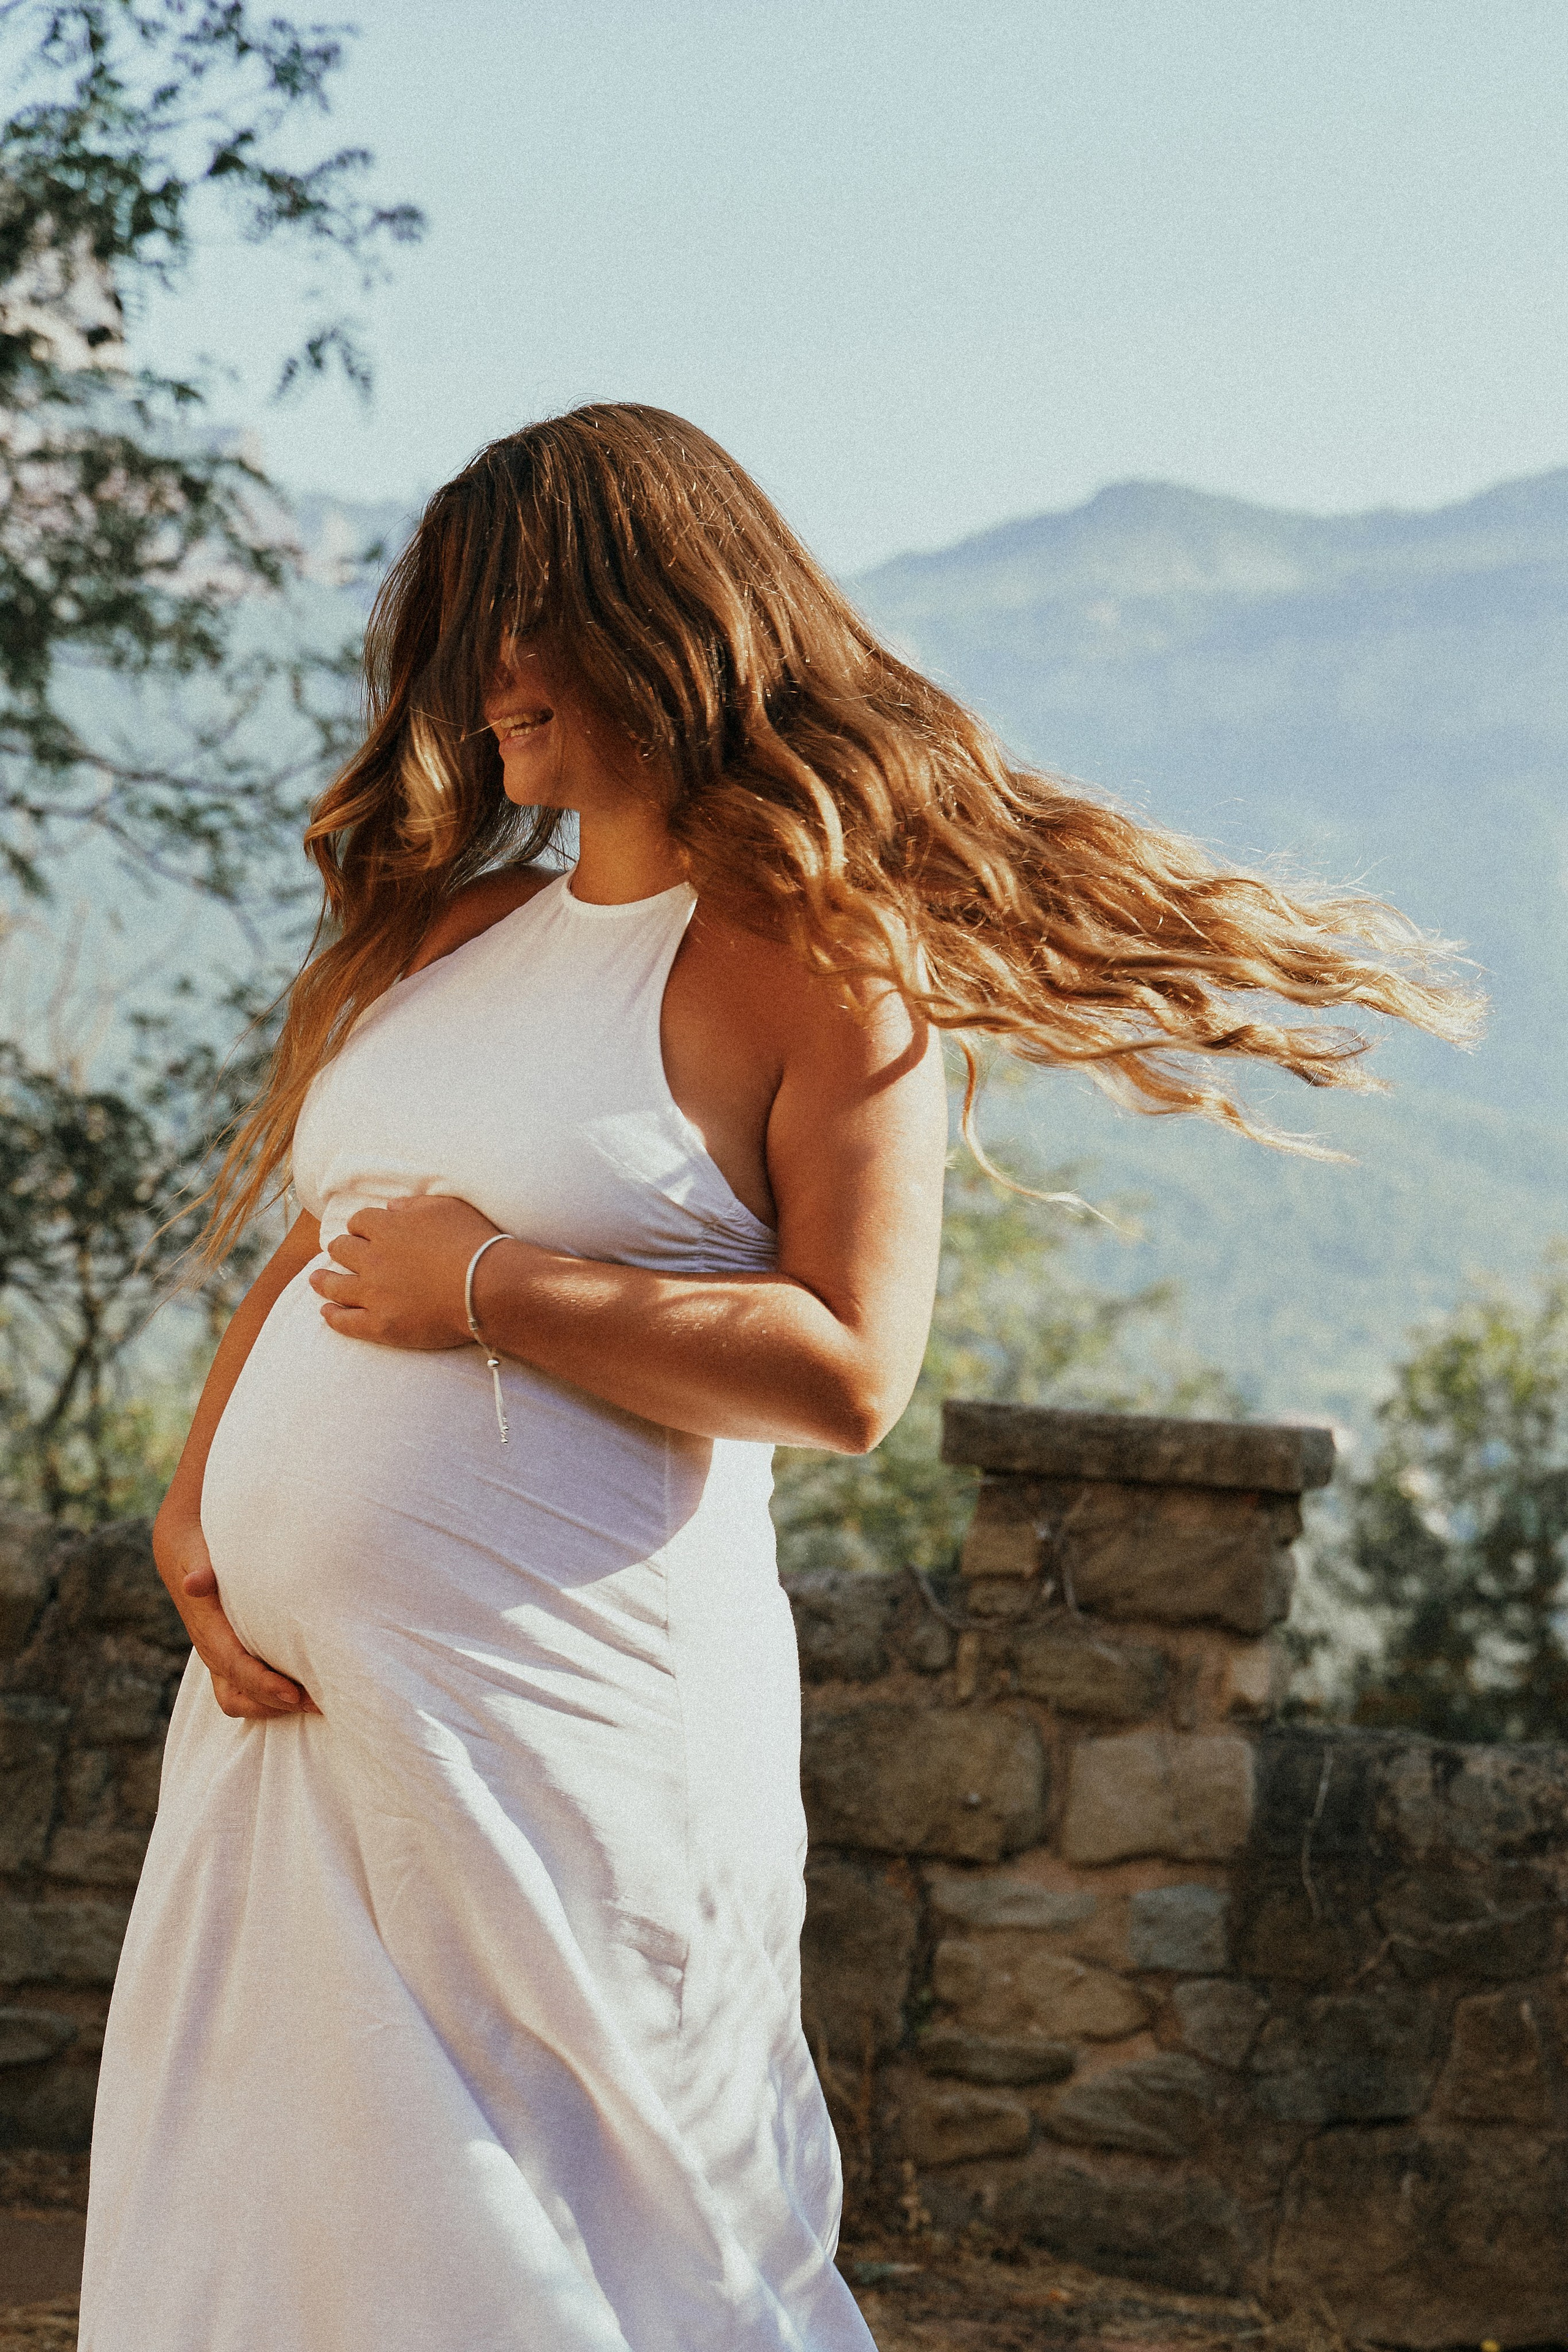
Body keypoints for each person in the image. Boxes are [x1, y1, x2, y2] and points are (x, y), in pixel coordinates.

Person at [78, 404, 1476, 2352]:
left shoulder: (816, 967)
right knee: (277, 2233)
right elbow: (334, 1235)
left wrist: (493, 1283)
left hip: (552, 1742)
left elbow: (848, 1369)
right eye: (461, 630)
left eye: (523, 627)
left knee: (612, 2255)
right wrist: (194, 1507)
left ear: (661, 624)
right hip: (296, 1732)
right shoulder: (466, 928)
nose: (483, 683)